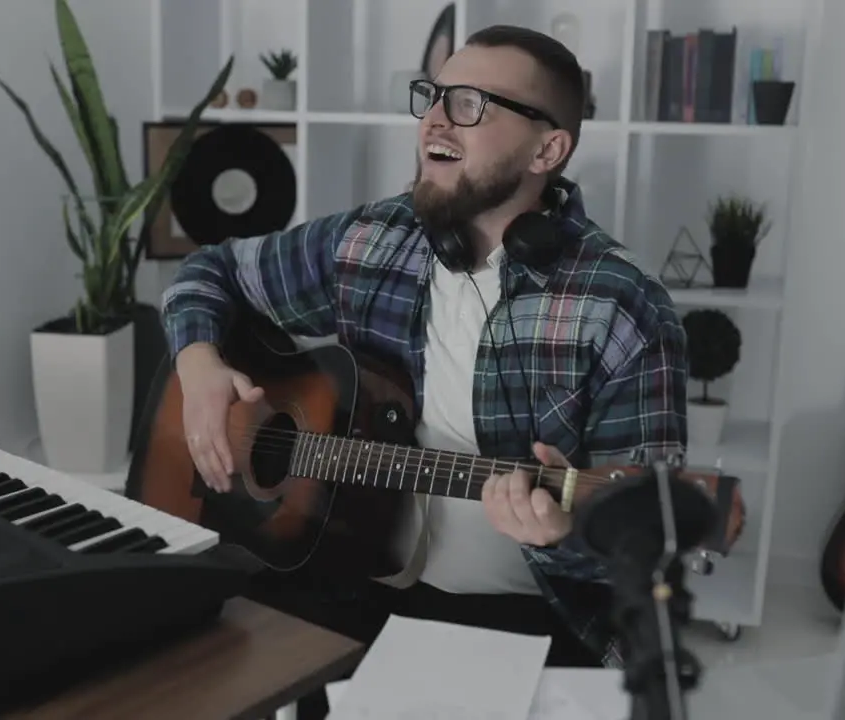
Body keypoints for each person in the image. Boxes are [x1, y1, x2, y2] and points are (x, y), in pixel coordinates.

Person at [161, 23, 687, 709]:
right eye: (433, 95)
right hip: (343, 569)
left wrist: (562, 535)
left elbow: (649, 548)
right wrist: (198, 364)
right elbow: (209, 272)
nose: (435, 119)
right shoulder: (374, 239)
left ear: (548, 148)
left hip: (537, 617)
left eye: (470, 103)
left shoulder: (624, 308)